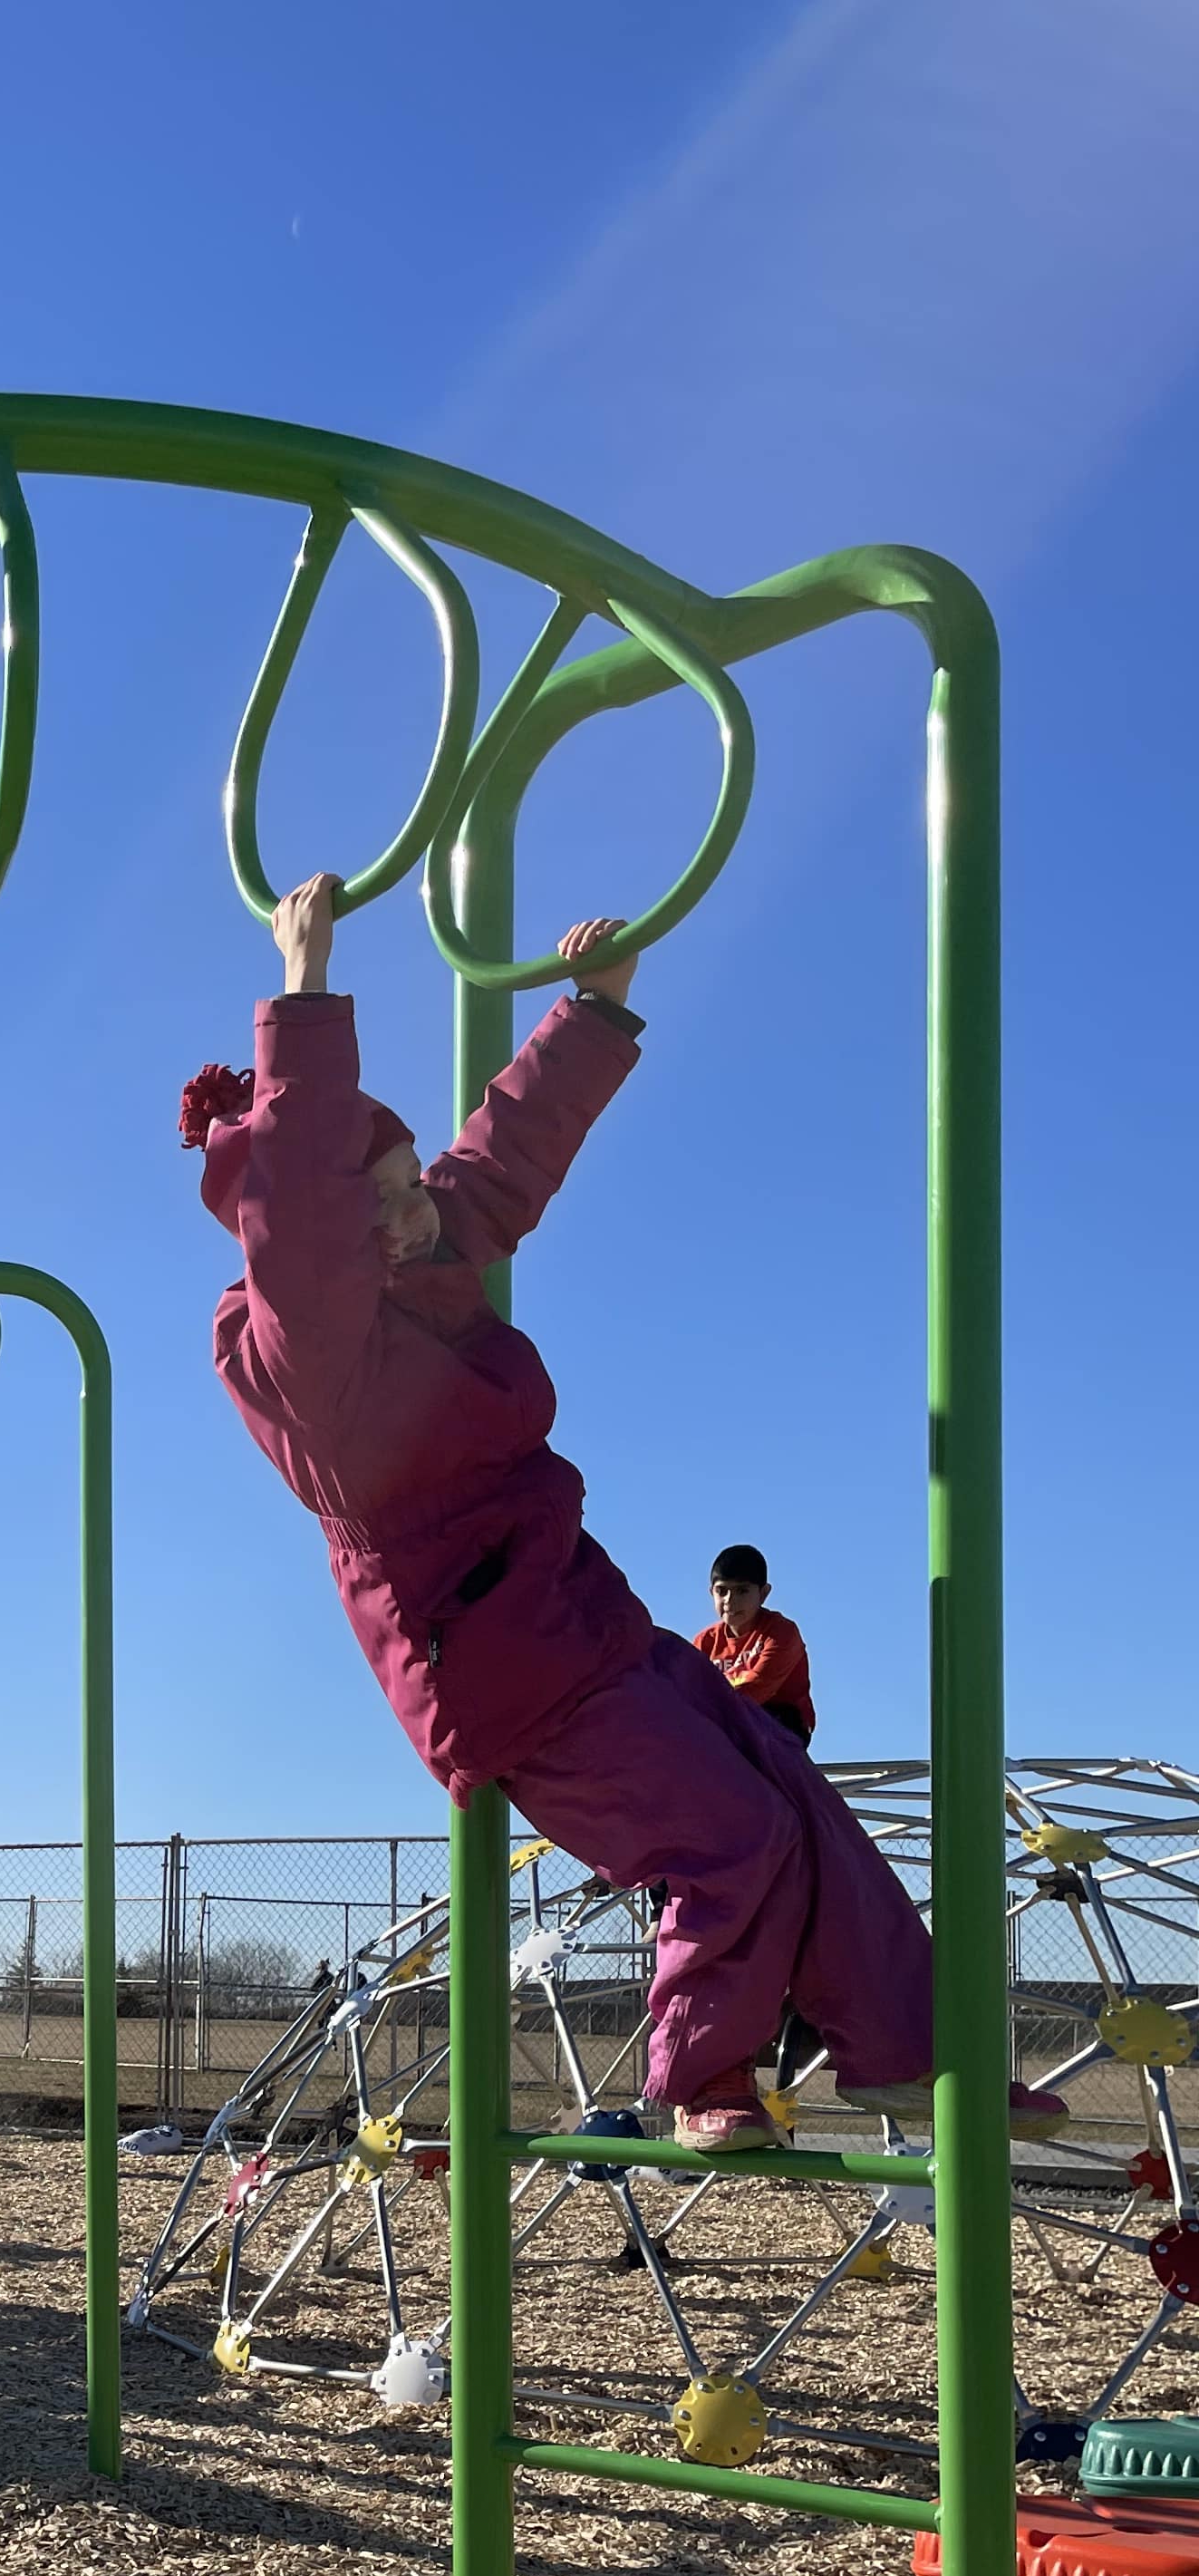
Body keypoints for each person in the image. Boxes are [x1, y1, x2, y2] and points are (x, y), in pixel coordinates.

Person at [184, 876, 1059, 2152]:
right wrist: (304, 995)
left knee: (800, 1804)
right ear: (324, 1224)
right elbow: (301, 1222)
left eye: (406, 1177)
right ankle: (697, 2078)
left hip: (588, 1626)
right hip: (505, 1679)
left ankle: (911, 2058)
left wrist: (593, 1015)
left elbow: (500, 1161)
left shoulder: (421, 1260)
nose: (418, 1204)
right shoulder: (316, 1358)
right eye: (381, 1194)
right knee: (729, 1836)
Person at [696, 1545, 813, 1743]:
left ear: (763, 1593)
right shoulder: (705, 1642)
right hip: (725, 1720)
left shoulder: (780, 1633)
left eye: (742, 1591)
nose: (730, 1600)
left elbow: (757, 1689)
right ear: (711, 1593)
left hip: (779, 1722)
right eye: (722, 1591)